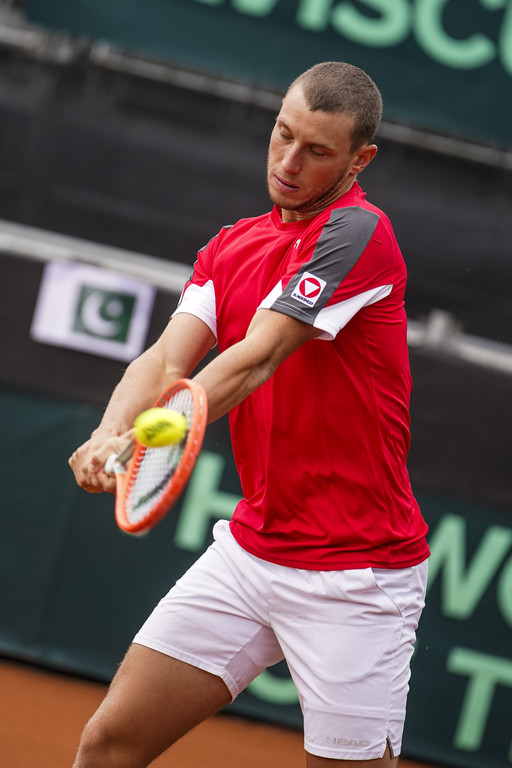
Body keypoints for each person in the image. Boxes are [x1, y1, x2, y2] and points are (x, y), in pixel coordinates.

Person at [69, 61, 429, 768]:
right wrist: (108, 432)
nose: (289, 163)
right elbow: (165, 360)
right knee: (108, 746)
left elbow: (258, 357)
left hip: (358, 575)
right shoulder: (231, 245)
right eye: (283, 134)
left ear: (360, 160)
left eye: (316, 151)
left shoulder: (358, 234)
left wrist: (151, 434)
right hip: (250, 553)